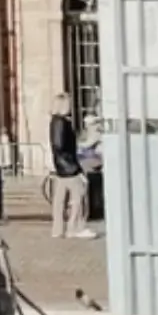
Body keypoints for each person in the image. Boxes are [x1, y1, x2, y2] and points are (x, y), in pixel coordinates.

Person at [48, 93, 90, 239]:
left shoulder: (55, 121)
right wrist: (76, 168)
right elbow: (61, 146)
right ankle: (75, 227)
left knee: (59, 200)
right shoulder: (61, 122)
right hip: (68, 167)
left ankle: (58, 229)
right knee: (79, 195)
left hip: (60, 166)